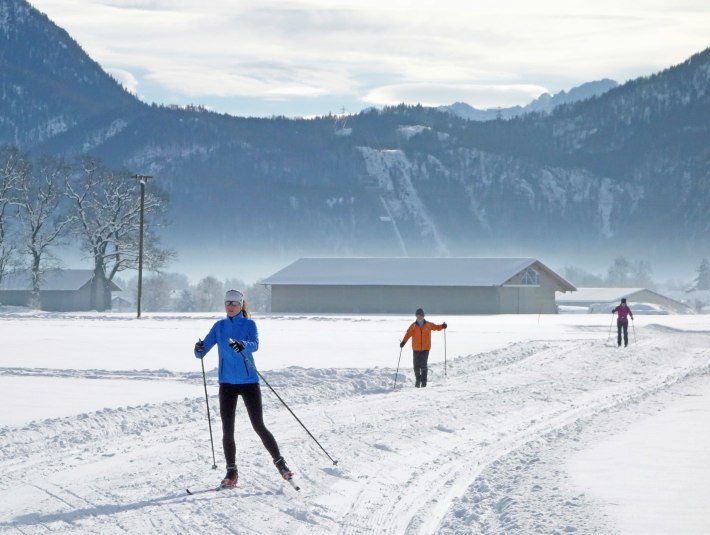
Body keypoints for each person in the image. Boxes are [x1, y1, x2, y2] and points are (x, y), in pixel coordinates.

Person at [194, 289, 293, 488]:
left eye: (234, 303)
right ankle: (231, 472)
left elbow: (255, 344)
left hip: (249, 382)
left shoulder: (249, 324)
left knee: (258, 425)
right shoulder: (219, 326)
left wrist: (243, 345)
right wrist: (198, 348)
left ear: (241, 305)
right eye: (227, 303)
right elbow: (202, 352)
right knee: (227, 430)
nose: (230, 306)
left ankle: (281, 464)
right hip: (227, 384)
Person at [399, 308, 447, 387]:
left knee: (423, 365)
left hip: (426, 348)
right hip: (416, 348)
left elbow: (436, 327)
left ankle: (424, 382)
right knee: (416, 366)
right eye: (417, 315)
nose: (419, 317)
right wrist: (403, 342)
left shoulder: (428, 324)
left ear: (423, 316)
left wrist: (442, 326)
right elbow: (408, 334)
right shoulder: (413, 326)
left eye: (420, 315)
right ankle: (418, 379)